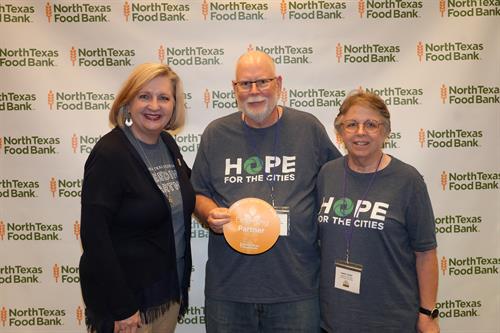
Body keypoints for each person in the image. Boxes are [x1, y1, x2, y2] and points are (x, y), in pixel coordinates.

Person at [191, 50, 341, 333]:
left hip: (296, 289)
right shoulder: (216, 133)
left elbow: (338, 183)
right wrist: (209, 213)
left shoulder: (308, 128)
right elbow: (197, 192)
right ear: (234, 89)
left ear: (279, 83)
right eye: (245, 84)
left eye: (263, 81)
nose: (255, 91)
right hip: (229, 291)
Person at [79, 63, 195, 333]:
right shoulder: (110, 154)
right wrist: (122, 307)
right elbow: (95, 237)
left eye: (164, 98)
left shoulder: (168, 144)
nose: (154, 105)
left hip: (165, 296)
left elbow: (191, 189)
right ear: (128, 102)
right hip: (128, 308)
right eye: (144, 96)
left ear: (174, 105)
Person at [316, 90, 440, 333]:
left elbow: (425, 253)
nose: (360, 132)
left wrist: (427, 313)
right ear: (340, 132)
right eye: (352, 124)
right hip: (334, 319)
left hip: (391, 319)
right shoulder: (327, 174)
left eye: (371, 124)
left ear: (385, 132)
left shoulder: (407, 180)